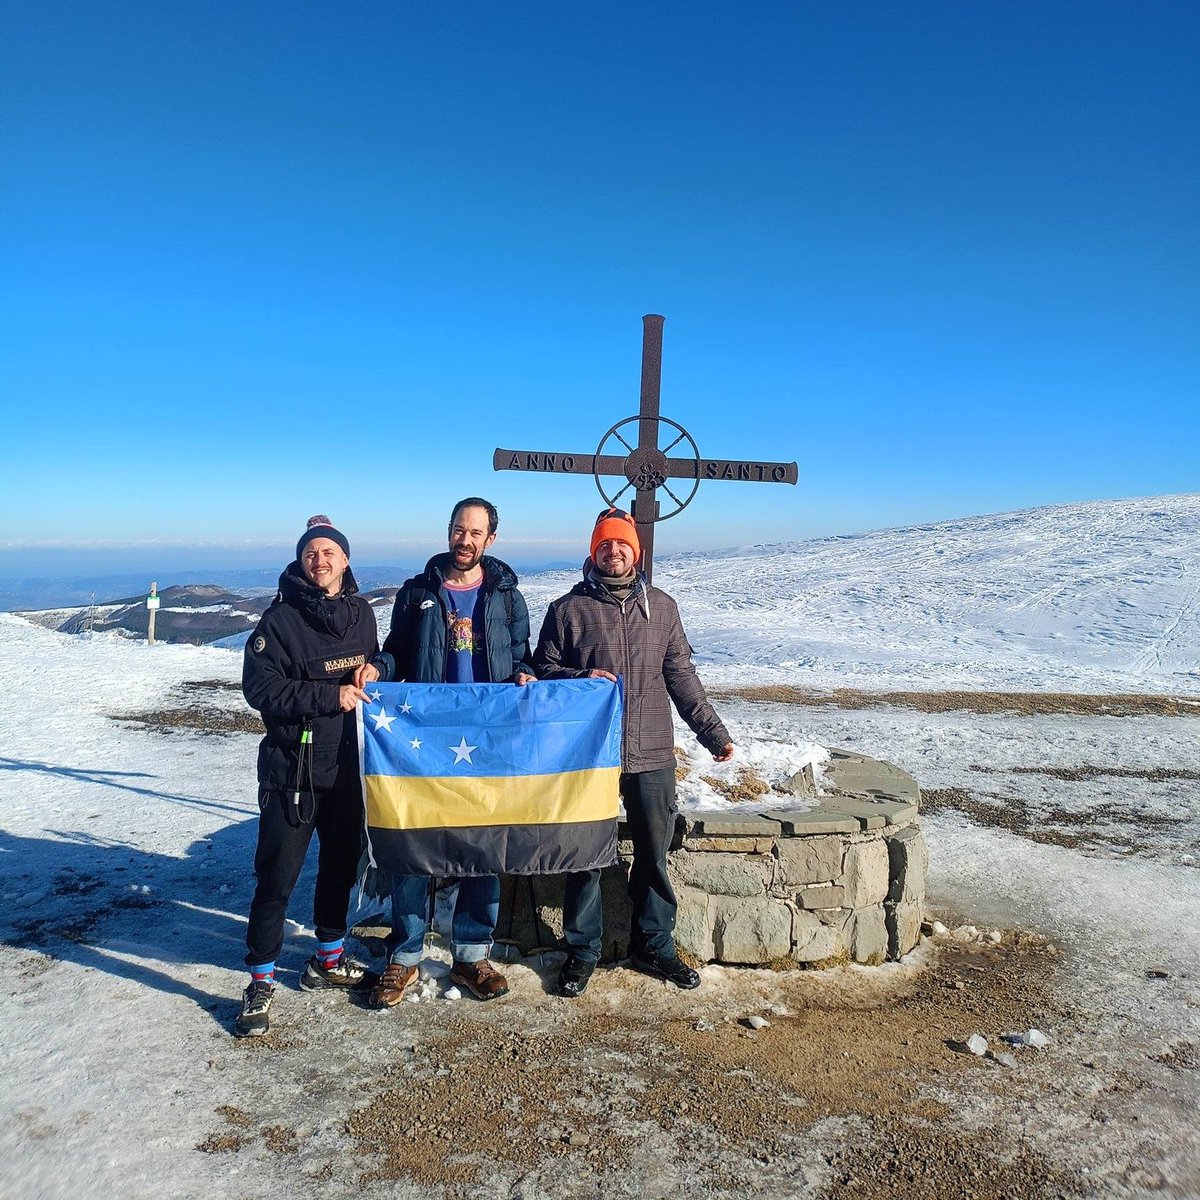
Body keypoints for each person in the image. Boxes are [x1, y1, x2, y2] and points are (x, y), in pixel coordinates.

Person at [534, 508, 734, 998]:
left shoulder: (662, 608)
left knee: (653, 853)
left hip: (651, 753)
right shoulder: (567, 610)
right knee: (584, 854)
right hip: (589, 756)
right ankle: (583, 952)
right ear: (592, 551)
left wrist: (714, 734)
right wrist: (578, 679)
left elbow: (681, 676)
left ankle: (656, 944)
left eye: (622, 544)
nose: (614, 551)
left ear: (636, 552)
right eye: (605, 544)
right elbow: (541, 672)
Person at [354, 497, 535, 1006]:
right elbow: (396, 650)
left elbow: (523, 657)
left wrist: (526, 674)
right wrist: (378, 670)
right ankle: (405, 955)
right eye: (459, 529)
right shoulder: (417, 593)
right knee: (415, 841)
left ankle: (473, 955)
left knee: (486, 843)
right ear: (448, 531)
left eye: (476, 532)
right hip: (428, 738)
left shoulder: (507, 597)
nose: (465, 539)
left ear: (490, 539)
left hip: (489, 740)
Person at [236, 516, 378, 1038]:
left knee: (340, 869)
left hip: (346, 768)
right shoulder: (278, 621)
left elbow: (374, 656)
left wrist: (376, 668)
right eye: (311, 553)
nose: (321, 560)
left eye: (330, 552)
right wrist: (329, 695)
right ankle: (260, 979)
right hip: (290, 772)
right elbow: (261, 690)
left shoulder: (362, 614)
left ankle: (328, 957)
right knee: (276, 878)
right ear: (300, 561)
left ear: (345, 560)